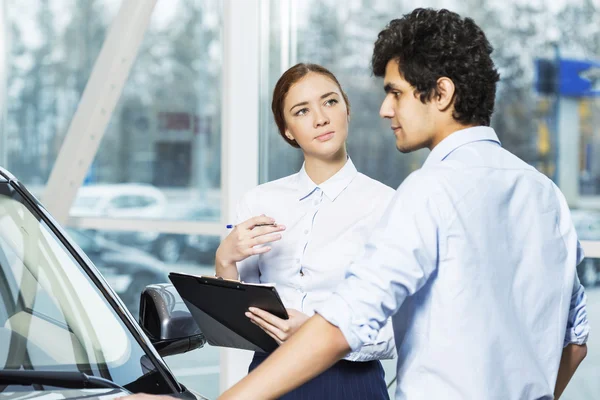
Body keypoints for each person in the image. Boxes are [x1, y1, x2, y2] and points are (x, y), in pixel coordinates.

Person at [218, 8, 590, 400]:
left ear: (442, 93)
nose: (385, 109)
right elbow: (575, 343)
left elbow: (341, 328)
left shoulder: (427, 191)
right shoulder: (546, 194)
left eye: (395, 92)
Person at [214, 62, 396, 399]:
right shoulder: (259, 201)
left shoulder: (387, 205)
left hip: (350, 383)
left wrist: (317, 333)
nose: (320, 118)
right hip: (269, 377)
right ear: (287, 130)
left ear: (346, 110)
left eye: (329, 102)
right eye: (302, 111)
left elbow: (395, 331)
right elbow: (242, 323)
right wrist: (224, 261)